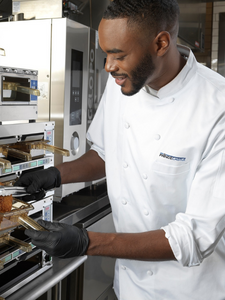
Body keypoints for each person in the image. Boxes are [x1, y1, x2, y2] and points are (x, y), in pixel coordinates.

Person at [15, 0, 225, 299]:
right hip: (129, 284)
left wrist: (88, 242)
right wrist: (53, 175)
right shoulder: (125, 82)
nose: (108, 67)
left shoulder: (217, 107)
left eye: (119, 55)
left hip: (190, 288)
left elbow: (195, 237)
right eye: (106, 54)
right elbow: (106, 152)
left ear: (161, 43)